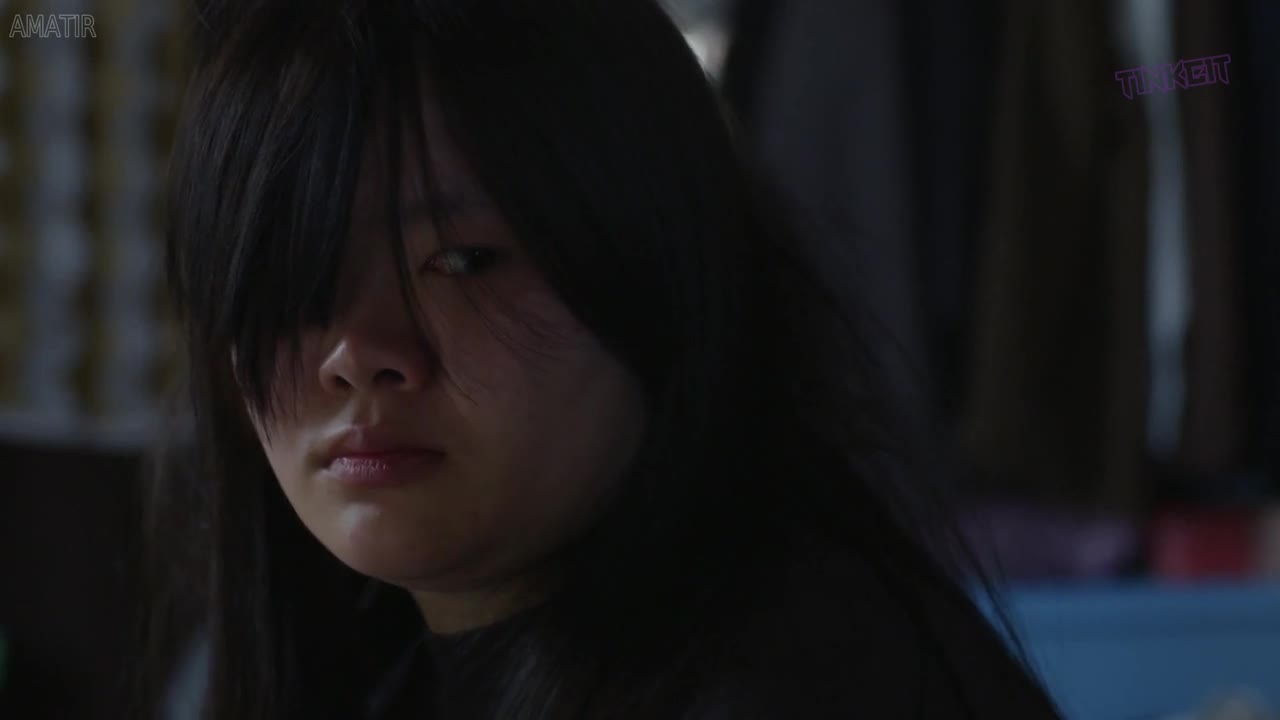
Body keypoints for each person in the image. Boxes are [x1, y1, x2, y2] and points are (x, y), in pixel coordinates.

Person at [141, 0, 1063, 718]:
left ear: (655, 266)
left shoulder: (803, 681)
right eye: (293, 269)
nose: (357, 355)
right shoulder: (364, 659)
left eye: (462, 262)